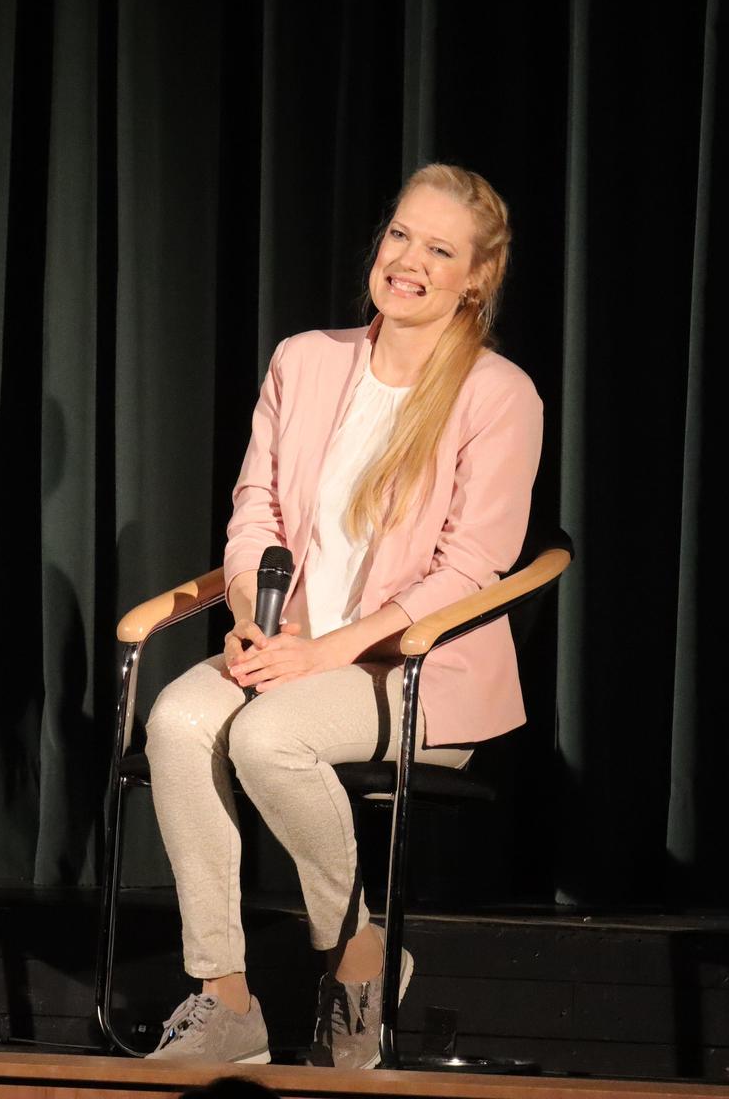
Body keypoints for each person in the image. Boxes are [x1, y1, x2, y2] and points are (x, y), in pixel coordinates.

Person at [142, 164, 541, 1068]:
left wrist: (331, 651)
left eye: (440, 250)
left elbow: (473, 568)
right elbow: (256, 510)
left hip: (411, 671)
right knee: (174, 721)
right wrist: (250, 612)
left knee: (266, 738)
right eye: (401, 235)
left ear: (475, 277)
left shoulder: (498, 393)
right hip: (293, 643)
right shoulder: (306, 359)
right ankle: (225, 1000)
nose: (409, 261)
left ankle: (359, 959)